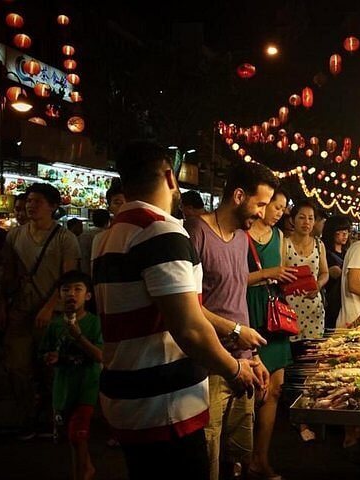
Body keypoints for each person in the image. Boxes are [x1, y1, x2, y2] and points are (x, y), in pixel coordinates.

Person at [92, 141, 259, 479]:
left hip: (126, 399)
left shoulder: (109, 236)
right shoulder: (162, 232)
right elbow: (189, 327)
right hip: (164, 408)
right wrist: (234, 369)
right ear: (170, 176)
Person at [185, 161, 278, 480]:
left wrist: (254, 356)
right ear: (239, 195)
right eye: (261, 204)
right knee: (208, 452)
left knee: (238, 456)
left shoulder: (241, 237)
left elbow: (236, 299)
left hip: (244, 363)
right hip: (210, 363)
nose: (263, 214)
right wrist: (237, 331)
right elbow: (188, 307)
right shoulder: (196, 232)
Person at [0, 183, 81, 439]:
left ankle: (49, 417)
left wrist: (49, 307)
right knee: (17, 367)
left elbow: (68, 278)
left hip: (51, 314)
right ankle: (27, 416)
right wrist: (2, 307)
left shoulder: (65, 238)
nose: (31, 205)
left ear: (53, 207)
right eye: (30, 201)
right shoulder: (15, 235)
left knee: (49, 369)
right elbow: (6, 274)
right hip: (20, 311)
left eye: (38, 201)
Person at [246, 189, 297, 480]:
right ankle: (239, 455)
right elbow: (234, 279)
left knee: (275, 388)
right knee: (253, 391)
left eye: (281, 208)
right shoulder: (243, 234)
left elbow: (278, 275)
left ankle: (260, 459)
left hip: (273, 313)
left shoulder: (278, 237)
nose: (278, 212)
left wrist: (293, 279)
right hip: (250, 310)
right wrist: (269, 274)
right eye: (274, 206)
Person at [39, 271, 102, 480]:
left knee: (78, 432)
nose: (71, 294)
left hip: (86, 387)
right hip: (63, 389)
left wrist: (79, 337)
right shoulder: (55, 325)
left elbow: (100, 356)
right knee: (72, 437)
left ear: (88, 296)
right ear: (59, 295)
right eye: (66, 290)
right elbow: (44, 352)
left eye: (77, 289)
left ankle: (82, 474)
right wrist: (51, 357)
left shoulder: (94, 323)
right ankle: (87, 467)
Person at [284, 201, 329, 341]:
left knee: (313, 354)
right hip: (289, 308)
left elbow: (324, 273)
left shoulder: (319, 245)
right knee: (293, 356)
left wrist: (318, 284)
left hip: (314, 308)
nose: (306, 222)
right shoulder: (285, 243)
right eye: (302, 217)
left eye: (311, 218)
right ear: (293, 220)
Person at [322, 215, 352, 330]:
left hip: (344, 300)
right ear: (331, 232)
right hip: (331, 301)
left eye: (347, 232)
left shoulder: (347, 252)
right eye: (340, 232)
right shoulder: (326, 252)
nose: (345, 235)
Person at [78, 209, 110, 276]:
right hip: (105, 274)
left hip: (88, 274)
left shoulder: (84, 236)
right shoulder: (110, 236)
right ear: (107, 221)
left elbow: (83, 258)